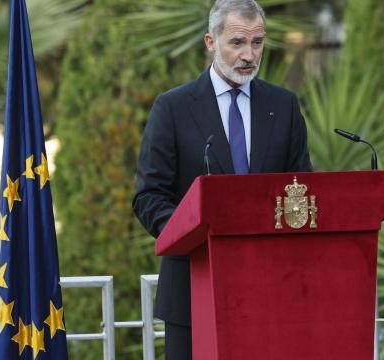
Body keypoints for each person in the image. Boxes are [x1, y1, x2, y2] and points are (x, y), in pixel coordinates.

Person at [132, 0, 312, 358]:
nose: (249, 54)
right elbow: (150, 197)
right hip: (193, 289)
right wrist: (198, 238)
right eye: (237, 43)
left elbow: (302, 190)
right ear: (210, 42)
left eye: (257, 42)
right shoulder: (173, 108)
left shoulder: (284, 105)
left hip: (270, 291)